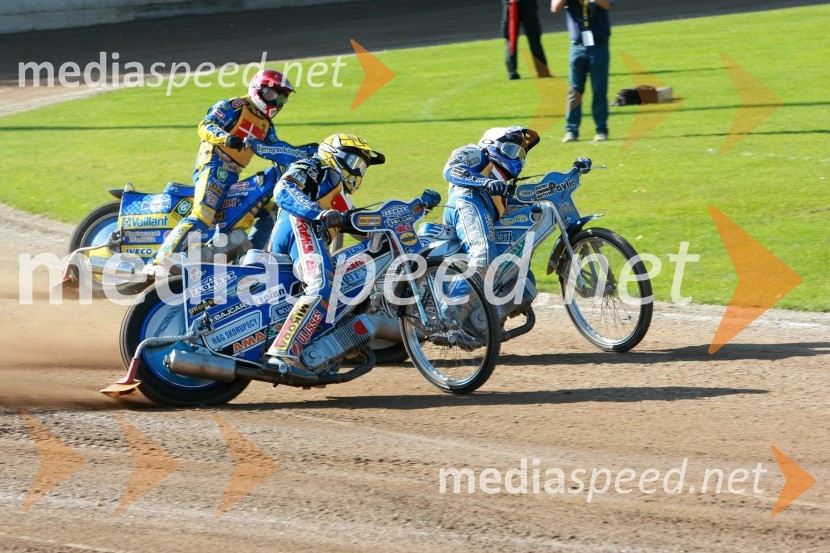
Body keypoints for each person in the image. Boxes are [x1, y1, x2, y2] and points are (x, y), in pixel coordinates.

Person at [151, 69, 318, 271]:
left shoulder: (266, 125)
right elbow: (206, 125)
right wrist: (227, 139)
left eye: (282, 98)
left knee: (271, 212)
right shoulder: (235, 105)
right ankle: (163, 259)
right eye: (273, 95)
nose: (277, 102)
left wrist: (307, 155)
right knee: (203, 213)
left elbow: (276, 150)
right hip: (214, 164)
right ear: (259, 90)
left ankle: (250, 263)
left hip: (233, 174)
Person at [265, 133, 385, 380]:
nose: (358, 171)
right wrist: (316, 213)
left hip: (307, 233)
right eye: (355, 162)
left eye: (362, 167)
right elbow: (284, 189)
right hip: (297, 226)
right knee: (322, 286)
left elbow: (366, 232)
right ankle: (283, 353)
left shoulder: (340, 196)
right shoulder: (314, 166)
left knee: (344, 284)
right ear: (336, 155)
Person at [443, 126, 540, 280]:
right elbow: (451, 170)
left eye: (520, 154)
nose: (516, 157)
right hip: (466, 201)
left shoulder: (502, 185)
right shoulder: (475, 153)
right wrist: (485, 182)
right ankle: (454, 304)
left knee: (523, 279)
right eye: (511, 150)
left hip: (481, 211)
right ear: (491, 144)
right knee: (483, 258)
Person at [551, 0, 613, 142]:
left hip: (599, 45)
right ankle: (571, 131)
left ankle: (601, 130)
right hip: (577, 46)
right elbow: (555, 8)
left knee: (599, 90)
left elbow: (607, 4)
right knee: (574, 91)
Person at [503, 0, 551, 79]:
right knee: (511, 38)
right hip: (512, 4)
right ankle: (512, 72)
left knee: (534, 38)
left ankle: (542, 70)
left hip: (526, 4)